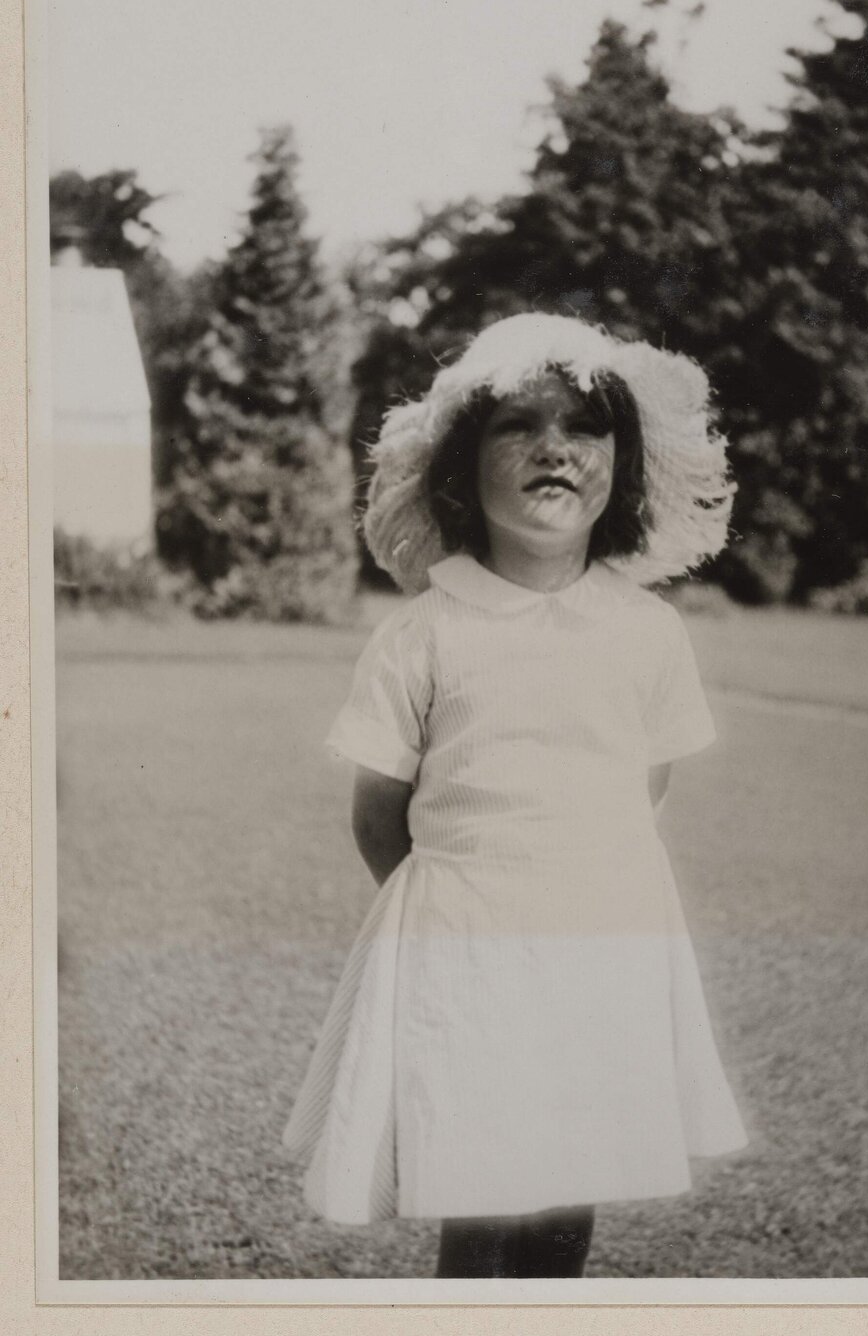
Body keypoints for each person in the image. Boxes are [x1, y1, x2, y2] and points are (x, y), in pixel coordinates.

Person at [283, 313, 748, 1279]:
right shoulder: (427, 633)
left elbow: (643, 781)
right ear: (463, 467)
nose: (553, 448)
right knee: (480, 1177)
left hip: (601, 934)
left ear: (621, 464)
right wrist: (458, 900)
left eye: (583, 426)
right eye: (518, 426)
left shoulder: (646, 631)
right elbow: (380, 812)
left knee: (571, 1173)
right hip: (469, 943)